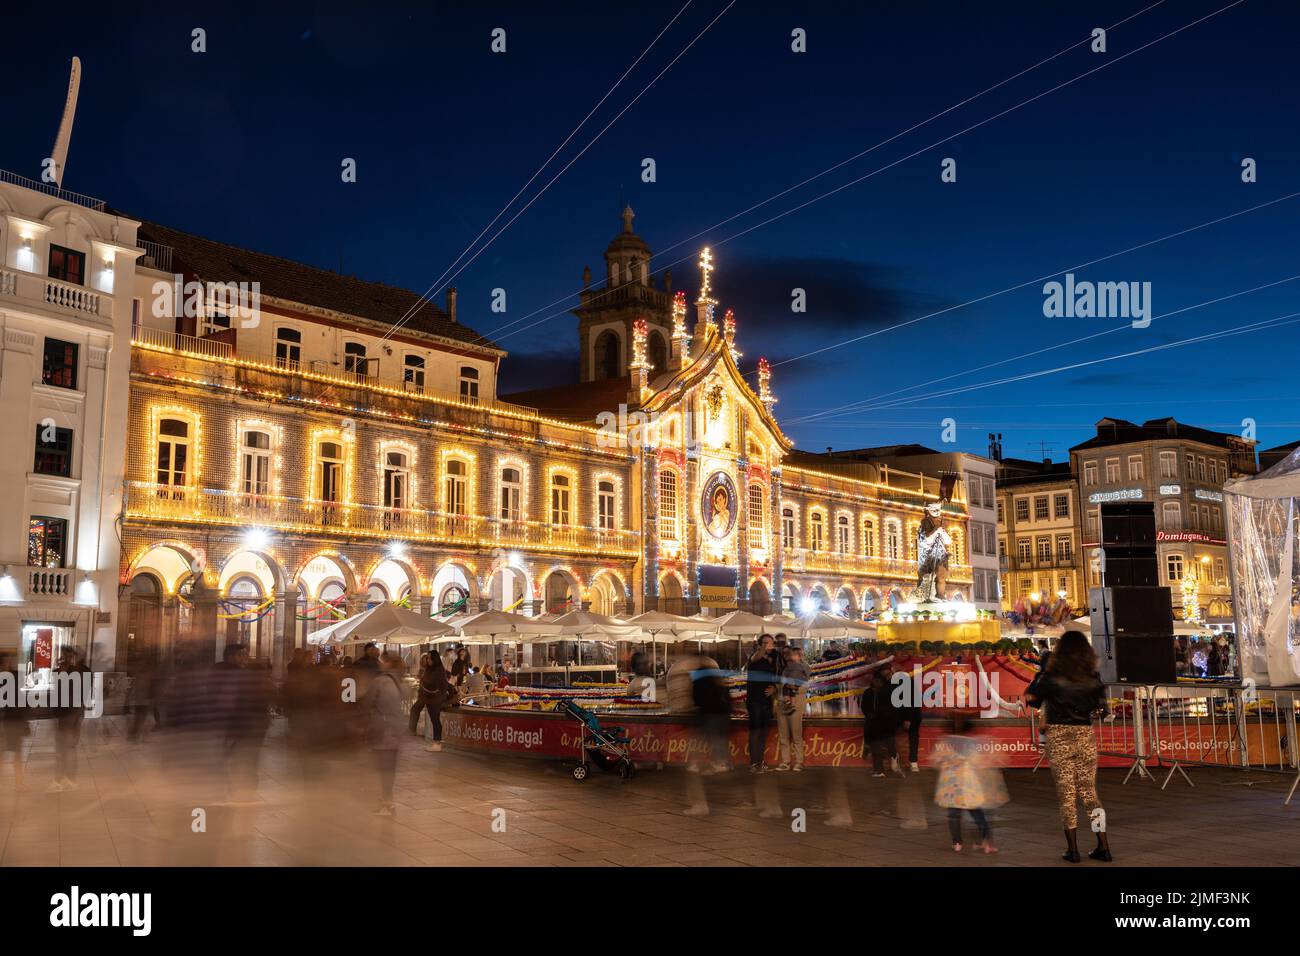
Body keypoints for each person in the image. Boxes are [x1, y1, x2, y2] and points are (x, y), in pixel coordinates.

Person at [1025, 631, 1112, 863]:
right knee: (1090, 793)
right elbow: (1103, 711)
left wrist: (1039, 682)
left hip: (1059, 735)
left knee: (1067, 794)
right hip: (1084, 735)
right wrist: (1088, 709)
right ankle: (1103, 845)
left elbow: (1032, 698)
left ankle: (1072, 850)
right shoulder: (1093, 677)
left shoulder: (1051, 677)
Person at [934, 716, 1005, 854]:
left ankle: (957, 843)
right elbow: (978, 762)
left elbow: (937, 761)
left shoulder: (945, 742)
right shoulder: (971, 743)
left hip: (951, 787)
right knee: (977, 813)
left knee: (954, 815)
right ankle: (986, 842)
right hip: (969, 785)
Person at [364, 651, 406, 815]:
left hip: (381, 730)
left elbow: (367, 702)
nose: (379, 664)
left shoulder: (380, 682)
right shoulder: (399, 682)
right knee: (390, 768)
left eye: (381, 661)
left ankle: (385, 800)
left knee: (379, 767)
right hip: (395, 730)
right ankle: (387, 800)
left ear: (388, 663)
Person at [49, 647, 90, 792]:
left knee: (62, 748)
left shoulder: (73, 672)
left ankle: (58, 781)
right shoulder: (79, 671)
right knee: (70, 747)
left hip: (69, 713)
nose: (61, 659)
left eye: (63, 656)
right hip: (75, 712)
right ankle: (70, 779)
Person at [745, 634, 779, 772]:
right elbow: (756, 656)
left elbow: (776, 678)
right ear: (761, 644)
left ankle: (760, 761)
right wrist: (764, 646)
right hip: (755, 700)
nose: (771, 645)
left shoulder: (772, 659)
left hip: (766, 701)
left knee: (763, 732)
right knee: (756, 731)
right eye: (767, 643)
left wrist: (775, 688)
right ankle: (754, 763)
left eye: (771, 643)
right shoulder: (755, 657)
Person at [861, 663, 901, 778]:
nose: (877, 682)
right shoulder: (868, 692)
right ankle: (879, 770)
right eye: (876, 680)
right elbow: (864, 707)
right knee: (876, 748)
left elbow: (893, 707)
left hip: (885, 723)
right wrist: (870, 715)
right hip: (874, 724)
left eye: (879, 680)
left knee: (887, 744)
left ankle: (891, 759)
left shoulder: (887, 691)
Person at [775, 645, 810, 771]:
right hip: (782, 703)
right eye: (784, 654)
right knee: (783, 734)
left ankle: (799, 762)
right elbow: (777, 685)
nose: (787, 656)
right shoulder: (781, 668)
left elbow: (806, 685)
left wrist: (793, 687)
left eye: (788, 653)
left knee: (796, 734)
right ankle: (785, 761)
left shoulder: (803, 667)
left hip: (796, 703)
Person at [0, 652, 30, 791]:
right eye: (5, 662)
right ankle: (18, 782)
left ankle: (19, 782)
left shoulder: (15, 676)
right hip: (5, 722)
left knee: (17, 753)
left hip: (14, 721)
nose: (8, 663)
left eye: (8, 661)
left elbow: (22, 698)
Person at [418, 653, 454, 753]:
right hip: (430, 698)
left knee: (435, 720)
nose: (427, 660)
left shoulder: (438, 670)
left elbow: (438, 684)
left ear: (434, 659)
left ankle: (437, 743)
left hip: (435, 698)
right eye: (427, 658)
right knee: (434, 719)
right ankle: (436, 742)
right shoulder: (429, 669)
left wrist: (425, 682)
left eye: (429, 658)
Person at [890, 664, 923, 772]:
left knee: (913, 737)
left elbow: (914, 702)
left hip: (912, 716)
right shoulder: (893, 683)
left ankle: (913, 762)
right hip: (899, 715)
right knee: (890, 736)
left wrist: (908, 719)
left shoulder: (909, 684)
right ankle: (894, 758)